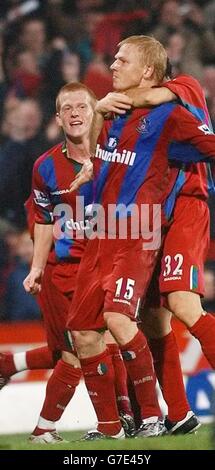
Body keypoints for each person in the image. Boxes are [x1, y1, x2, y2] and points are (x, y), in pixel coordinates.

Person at [66, 35, 215, 440]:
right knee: (152, 319)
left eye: (121, 60)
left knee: (182, 304)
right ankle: (178, 413)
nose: (112, 66)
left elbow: (183, 116)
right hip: (142, 223)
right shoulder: (116, 111)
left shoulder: (180, 93)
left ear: (149, 72)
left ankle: (149, 413)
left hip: (185, 204)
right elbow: (107, 156)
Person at [0, 82, 135, 442]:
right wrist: (37, 268)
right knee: (79, 351)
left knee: (90, 346)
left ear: (96, 114)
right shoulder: (45, 167)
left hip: (108, 266)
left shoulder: (118, 155)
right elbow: (42, 221)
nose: (75, 114)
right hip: (65, 273)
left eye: (83, 107)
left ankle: (121, 421)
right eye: (67, 109)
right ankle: (77, 429)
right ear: (58, 118)